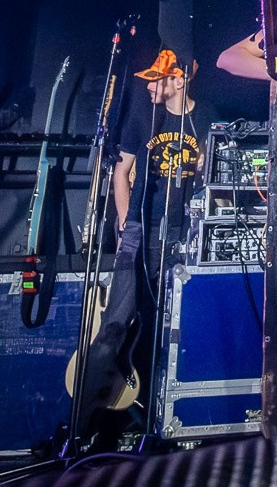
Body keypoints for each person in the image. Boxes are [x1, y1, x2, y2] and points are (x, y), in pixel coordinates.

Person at [76, 49, 214, 423]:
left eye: (159, 78)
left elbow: (207, 178)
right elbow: (120, 173)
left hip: (182, 235)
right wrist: (124, 222)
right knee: (115, 324)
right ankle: (81, 422)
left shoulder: (206, 118)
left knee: (169, 328)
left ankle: (160, 419)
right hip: (140, 230)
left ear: (180, 80)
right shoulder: (142, 117)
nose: (151, 85)